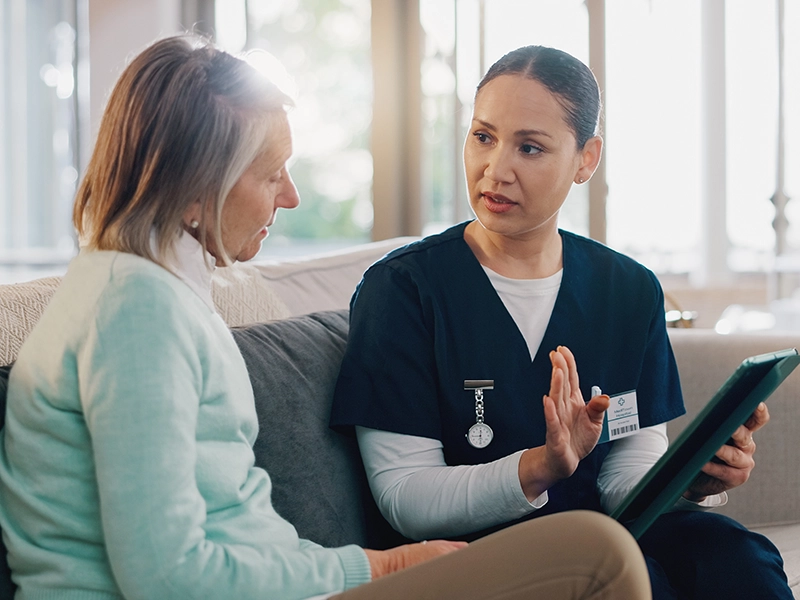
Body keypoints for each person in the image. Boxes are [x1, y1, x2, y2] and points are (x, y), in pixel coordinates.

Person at [0, 35, 652, 600]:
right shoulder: (135, 315)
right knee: (596, 552)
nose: (291, 196)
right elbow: (167, 578)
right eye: (271, 173)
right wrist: (377, 566)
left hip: (290, 584)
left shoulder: (148, 293)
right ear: (200, 183)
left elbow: (228, 536)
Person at [330, 45, 793, 600]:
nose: (495, 170)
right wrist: (541, 467)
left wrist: (689, 479)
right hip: (472, 559)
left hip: (605, 535)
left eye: (529, 147)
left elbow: (626, 476)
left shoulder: (628, 290)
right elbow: (406, 499)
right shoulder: (403, 290)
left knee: (734, 556)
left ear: (585, 159)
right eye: (483, 137)